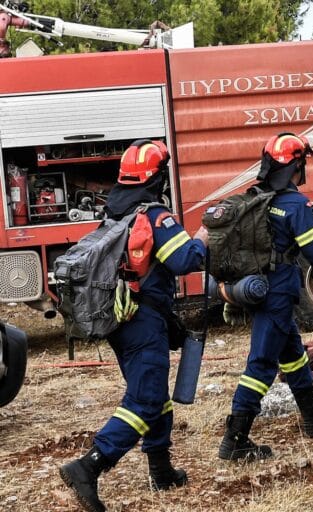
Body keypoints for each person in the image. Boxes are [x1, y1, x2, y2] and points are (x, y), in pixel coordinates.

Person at [59, 140, 208, 512]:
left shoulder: (115, 211)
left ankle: (161, 469)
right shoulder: (156, 216)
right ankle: (89, 466)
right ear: (158, 178)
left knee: (154, 394)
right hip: (144, 320)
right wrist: (205, 236)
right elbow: (184, 260)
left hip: (118, 318)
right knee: (145, 400)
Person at [218, 133, 313, 462]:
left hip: (259, 286)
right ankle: (236, 438)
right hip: (277, 290)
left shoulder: (255, 197)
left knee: (291, 350)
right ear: (297, 164)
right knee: (262, 362)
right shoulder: (295, 204)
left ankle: (312, 412)